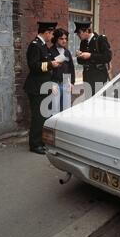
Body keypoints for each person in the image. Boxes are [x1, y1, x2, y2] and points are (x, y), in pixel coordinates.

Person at [24, 21, 61, 155]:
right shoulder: (35, 46)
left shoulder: (44, 46)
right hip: (36, 87)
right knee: (38, 116)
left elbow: (47, 64)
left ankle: (40, 141)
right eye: (51, 34)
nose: (52, 37)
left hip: (44, 86)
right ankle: (35, 144)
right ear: (46, 32)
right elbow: (33, 66)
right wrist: (51, 64)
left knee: (43, 115)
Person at [74, 21, 112, 96]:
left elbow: (108, 57)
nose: (78, 35)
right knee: (89, 101)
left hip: (99, 77)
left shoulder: (100, 39)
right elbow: (80, 62)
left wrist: (90, 56)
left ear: (87, 31)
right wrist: (80, 56)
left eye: (79, 32)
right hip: (87, 77)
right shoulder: (83, 42)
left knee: (99, 101)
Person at [50, 28, 75, 114]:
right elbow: (48, 70)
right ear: (56, 39)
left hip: (65, 82)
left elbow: (71, 68)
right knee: (55, 110)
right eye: (61, 38)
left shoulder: (67, 52)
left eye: (65, 39)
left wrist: (72, 82)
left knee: (66, 109)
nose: (64, 41)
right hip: (54, 83)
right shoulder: (50, 51)